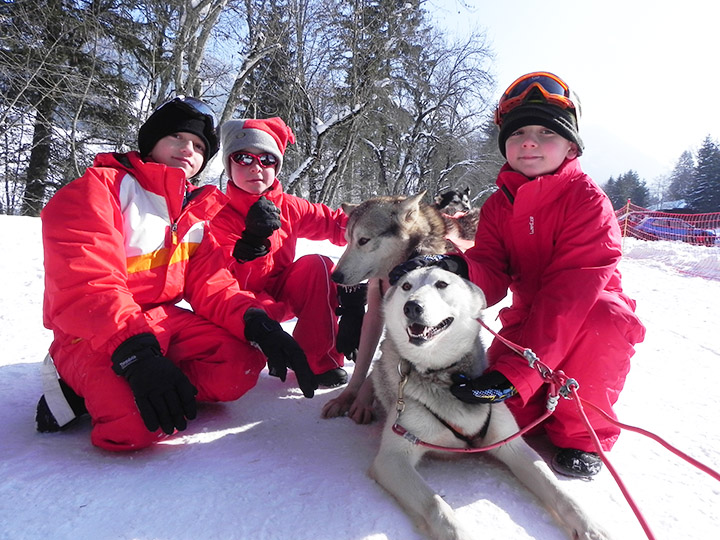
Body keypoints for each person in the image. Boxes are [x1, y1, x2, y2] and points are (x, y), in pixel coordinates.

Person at [389, 72, 646, 478]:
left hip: (583, 321)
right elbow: (490, 273)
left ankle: (582, 436)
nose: (530, 141)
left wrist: (517, 375)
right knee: (492, 416)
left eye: (546, 132)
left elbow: (569, 301)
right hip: (529, 324)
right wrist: (454, 267)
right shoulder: (497, 207)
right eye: (520, 131)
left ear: (571, 145)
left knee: (605, 321)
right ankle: (536, 399)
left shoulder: (588, 204)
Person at [36, 96, 317, 452]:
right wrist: (136, 356)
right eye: (177, 138)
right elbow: (87, 283)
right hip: (93, 331)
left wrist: (256, 323)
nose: (188, 149)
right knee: (135, 427)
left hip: (159, 321)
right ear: (152, 141)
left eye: (199, 146)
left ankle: (150, 382)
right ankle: (71, 385)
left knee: (241, 366)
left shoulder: (196, 211)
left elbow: (213, 285)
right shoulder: (98, 189)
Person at [211, 117, 364, 388]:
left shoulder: (290, 207)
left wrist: (377, 225)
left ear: (277, 167)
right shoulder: (214, 214)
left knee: (317, 264)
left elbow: (336, 223)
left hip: (281, 295)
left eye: (266, 159)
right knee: (235, 369)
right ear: (228, 164)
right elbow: (213, 280)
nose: (256, 167)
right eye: (244, 158)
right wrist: (247, 248)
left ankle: (318, 360)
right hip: (239, 307)